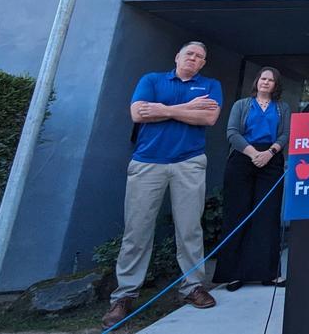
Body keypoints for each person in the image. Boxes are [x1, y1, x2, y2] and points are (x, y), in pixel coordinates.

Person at [103, 41, 223, 328]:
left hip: (189, 162)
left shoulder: (210, 84)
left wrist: (163, 109)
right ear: (177, 56)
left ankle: (193, 286)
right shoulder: (152, 80)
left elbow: (208, 117)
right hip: (148, 162)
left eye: (199, 57)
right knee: (137, 229)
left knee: (190, 228)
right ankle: (124, 295)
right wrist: (185, 108)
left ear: (203, 63)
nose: (194, 59)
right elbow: (138, 113)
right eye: (189, 54)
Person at [212, 66, 290, 291]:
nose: (266, 82)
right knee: (238, 213)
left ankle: (268, 273)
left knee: (268, 215)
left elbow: (286, 134)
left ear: (276, 85)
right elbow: (232, 132)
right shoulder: (242, 105)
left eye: (271, 80)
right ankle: (234, 274)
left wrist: (269, 153)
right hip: (242, 159)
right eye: (263, 79)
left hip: (271, 160)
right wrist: (253, 153)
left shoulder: (282, 108)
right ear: (257, 82)